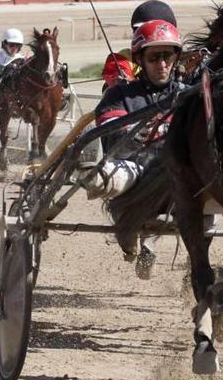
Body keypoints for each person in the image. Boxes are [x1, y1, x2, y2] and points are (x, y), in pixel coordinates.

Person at [80, 20, 189, 279]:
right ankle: (105, 187)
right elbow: (112, 127)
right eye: (154, 57)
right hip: (133, 169)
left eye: (168, 56)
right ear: (140, 58)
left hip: (183, 175)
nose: (162, 64)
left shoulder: (190, 95)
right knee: (105, 176)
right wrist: (137, 131)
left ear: (176, 57)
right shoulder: (120, 96)